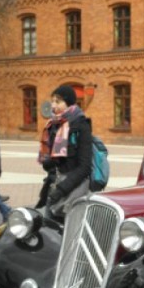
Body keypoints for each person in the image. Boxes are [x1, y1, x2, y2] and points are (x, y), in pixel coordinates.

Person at [37, 85, 92, 220]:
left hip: (72, 189)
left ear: (69, 103)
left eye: (58, 101)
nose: (53, 105)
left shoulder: (81, 125)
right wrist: (48, 162)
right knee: (49, 232)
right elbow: (51, 162)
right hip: (54, 187)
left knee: (69, 233)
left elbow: (85, 167)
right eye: (52, 101)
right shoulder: (52, 124)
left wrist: (62, 189)